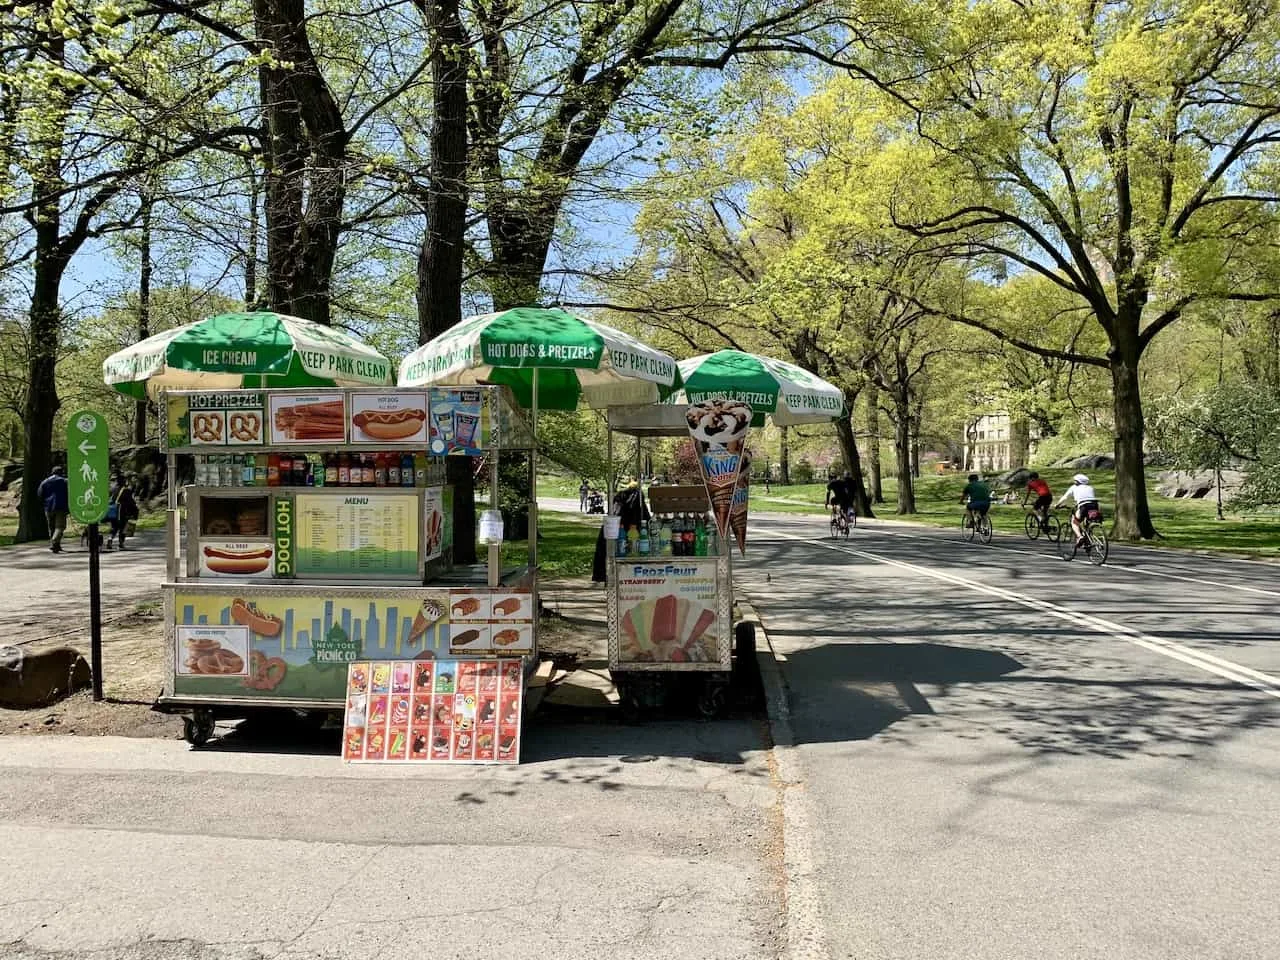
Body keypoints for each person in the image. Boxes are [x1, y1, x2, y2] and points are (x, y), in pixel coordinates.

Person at [1055, 473, 1101, 550]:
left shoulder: (1073, 487)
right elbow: (1088, 498)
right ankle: (1088, 539)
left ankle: (1080, 537)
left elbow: (1065, 497)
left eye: (1075, 480)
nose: (1074, 482)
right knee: (1087, 522)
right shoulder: (1090, 487)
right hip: (1095, 505)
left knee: (1074, 522)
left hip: (1084, 506)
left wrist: (1057, 505)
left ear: (1077, 482)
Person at [37, 465, 69, 553]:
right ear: (61, 472)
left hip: (48, 507)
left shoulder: (45, 482)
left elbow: (40, 494)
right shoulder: (65, 481)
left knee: (51, 527)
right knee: (60, 527)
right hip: (61, 507)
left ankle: (55, 545)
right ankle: (55, 541)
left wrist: (45, 503)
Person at [108, 475, 139, 550]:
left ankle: (110, 539)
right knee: (123, 528)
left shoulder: (114, 490)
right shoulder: (126, 491)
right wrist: (135, 511)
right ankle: (121, 543)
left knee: (114, 527)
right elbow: (131, 502)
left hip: (113, 511)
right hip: (122, 512)